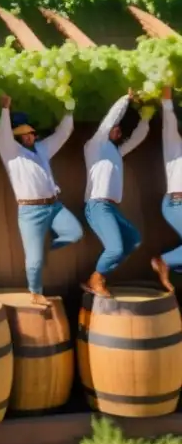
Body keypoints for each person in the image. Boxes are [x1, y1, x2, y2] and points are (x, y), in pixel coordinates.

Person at [0, 94, 82, 308]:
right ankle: (35, 292)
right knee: (34, 261)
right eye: (22, 135)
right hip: (30, 212)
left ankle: (49, 241)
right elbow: (3, 135)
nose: (28, 137)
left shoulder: (42, 149)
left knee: (75, 233)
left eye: (30, 134)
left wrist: (69, 109)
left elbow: (63, 134)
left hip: (53, 206)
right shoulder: (11, 152)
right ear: (16, 137)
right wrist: (5, 110)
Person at [81, 90, 148, 297]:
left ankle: (97, 277)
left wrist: (146, 117)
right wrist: (126, 99)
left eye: (120, 129)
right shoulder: (95, 145)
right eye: (115, 128)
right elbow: (109, 121)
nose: (117, 130)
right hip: (97, 205)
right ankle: (96, 279)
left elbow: (137, 138)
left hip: (110, 207)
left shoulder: (116, 152)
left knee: (134, 240)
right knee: (115, 249)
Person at [153, 85, 182, 293]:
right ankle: (165, 261)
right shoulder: (175, 146)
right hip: (176, 203)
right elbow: (169, 120)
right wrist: (166, 93)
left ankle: (173, 262)